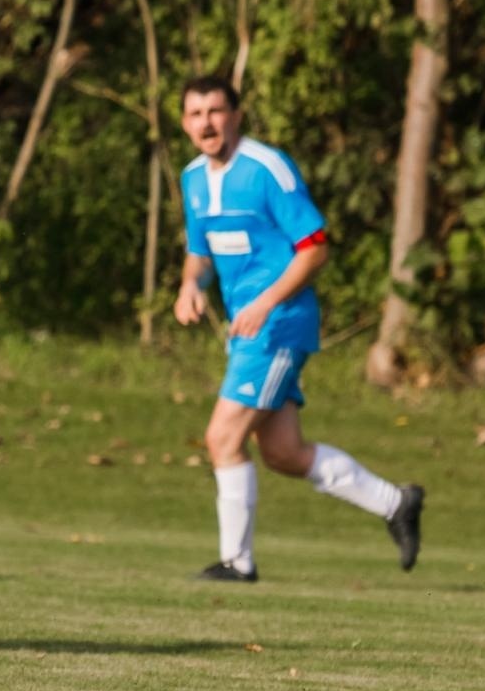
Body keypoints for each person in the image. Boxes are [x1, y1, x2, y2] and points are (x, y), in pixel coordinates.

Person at [175, 75, 423, 583]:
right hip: (247, 331)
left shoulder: (267, 168)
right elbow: (199, 253)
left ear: (237, 115)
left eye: (216, 111)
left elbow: (314, 247)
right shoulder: (193, 178)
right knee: (284, 453)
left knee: (222, 437)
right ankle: (396, 502)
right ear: (184, 123)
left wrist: (265, 303)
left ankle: (236, 564)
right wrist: (189, 286)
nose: (207, 122)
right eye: (196, 114)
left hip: (278, 325)